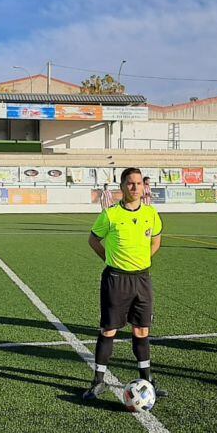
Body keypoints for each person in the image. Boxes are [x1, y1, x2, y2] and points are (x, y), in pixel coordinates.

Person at [83, 167, 166, 401]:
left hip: (142, 278)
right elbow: (93, 240)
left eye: (139, 183)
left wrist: (142, 261)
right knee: (109, 330)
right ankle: (98, 382)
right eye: (130, 183)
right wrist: (110, 259)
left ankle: (147, 379)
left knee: (141, 330)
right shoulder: (110, 215)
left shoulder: (151, 213)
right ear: (122, 187)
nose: (135, 187)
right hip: (116, 279)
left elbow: (156, 241)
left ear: (143, 187)